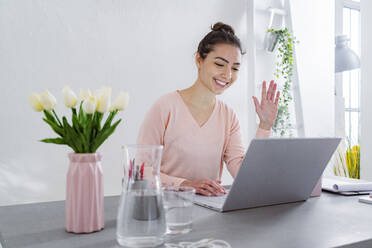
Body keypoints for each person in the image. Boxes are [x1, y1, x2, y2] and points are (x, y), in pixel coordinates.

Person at [137, 22, 280, 196]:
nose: (227, 75)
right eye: (220, 64)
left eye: (235, 68)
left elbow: (245, 176)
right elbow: (141, 170)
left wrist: (264, 126)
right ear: (199, 60)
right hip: (166, 209)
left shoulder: (228, 116)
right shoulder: (165, 107)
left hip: (208, 211)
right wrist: (185, 184)